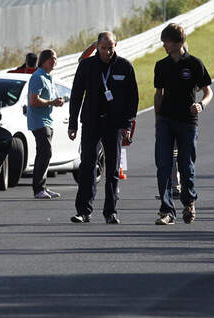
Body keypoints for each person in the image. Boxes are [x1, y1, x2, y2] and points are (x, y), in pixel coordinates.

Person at [67, 31, 138, 224]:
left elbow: (133, 98)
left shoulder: (124, 66)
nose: (107, 52)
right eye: (103, 48)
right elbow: (76, 95)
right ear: (97, 47)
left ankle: (111, 211)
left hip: (114, 124)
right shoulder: (87, 66)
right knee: (87, 166)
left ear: (116, 46)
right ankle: (83, 211)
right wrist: (72, 123)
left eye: (110, 48)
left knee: (113, 169)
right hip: (91, 122)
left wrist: (127, 124)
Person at [153, 24, 213, 225]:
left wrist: (201, 105)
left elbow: (208, 92)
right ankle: (167, 211)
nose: (164, 46)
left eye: (166, 42)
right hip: (166, 121)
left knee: (186, 165)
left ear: (177, 42)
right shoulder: (161, 65)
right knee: (163, 166)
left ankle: (189, 202)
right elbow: (158, 94)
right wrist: (157, 120)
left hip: (188, 122)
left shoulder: (195, 64)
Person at [27, 49, 65, 199]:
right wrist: (52, 102)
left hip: (47, 120)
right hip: (39, 121)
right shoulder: (37, 77)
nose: (55, 61)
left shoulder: (48, 77)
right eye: (52, 59)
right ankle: (38, 189)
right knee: (45, 153)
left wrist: (57, 101)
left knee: (45, 154)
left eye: (56, 59)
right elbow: (33, 100)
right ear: (44, 60)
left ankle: (42, 186)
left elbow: (49, 98)